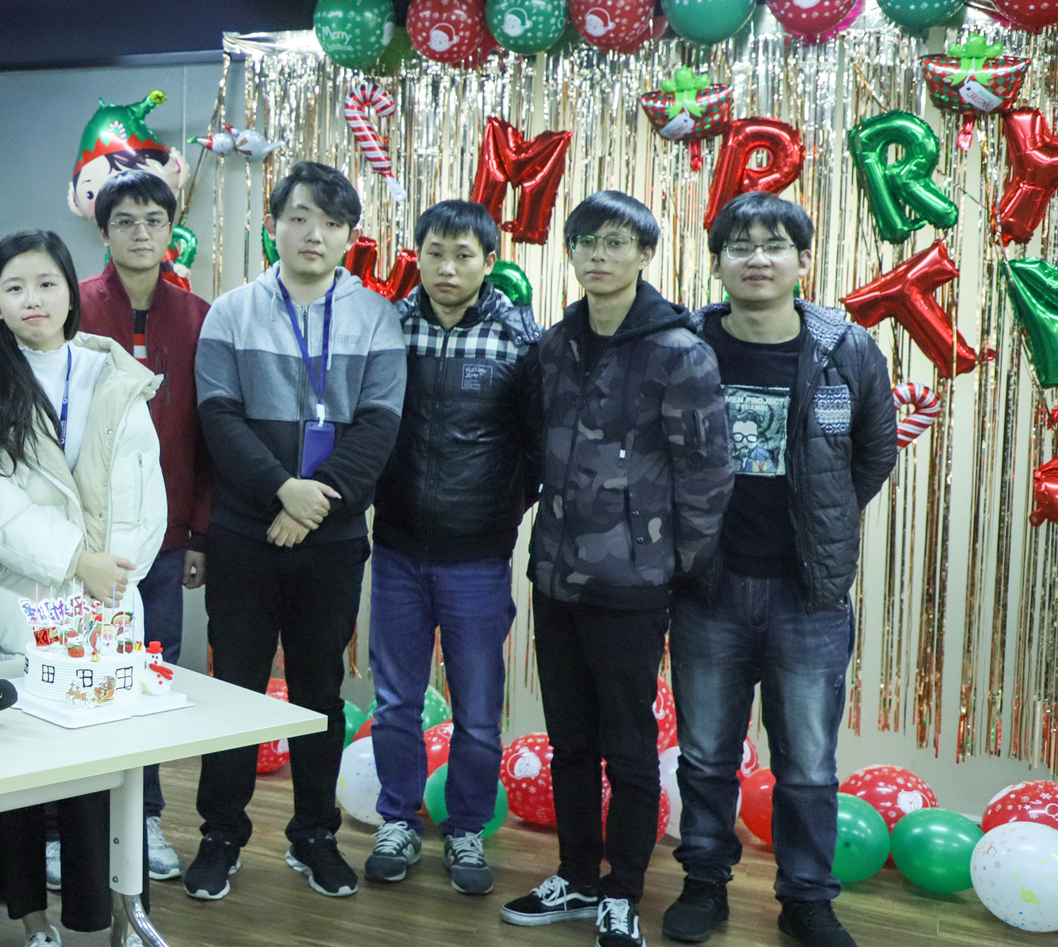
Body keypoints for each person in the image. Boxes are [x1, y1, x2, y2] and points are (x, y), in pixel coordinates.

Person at [663, 193, 896, 947]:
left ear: (803, 260)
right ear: (717, 263)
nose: (756, 258)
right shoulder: (687, 343)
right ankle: (704, 884)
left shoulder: (844, 349)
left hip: (809, 594)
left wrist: (822, 522)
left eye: (773, 245)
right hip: (708, 588)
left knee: (808, 765)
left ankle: (805, 899)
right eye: (739, 245)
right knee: (705, 755)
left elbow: (873, 452)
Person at [500, 191, 732, 947]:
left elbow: (707, 474)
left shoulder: (679, 351)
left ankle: (621, 889)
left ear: (644, 254)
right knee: (569, 742)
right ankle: (574, 875)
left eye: (616, 242)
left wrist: (673, 565)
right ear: (569, 252)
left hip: (633, 585)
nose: (598, 255)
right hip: (555, 576)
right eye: (585, 242)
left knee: (628, 748)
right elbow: (534, 445)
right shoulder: (555, 343)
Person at [186, 161, 406, 902]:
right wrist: (282, 490)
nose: (314, 233)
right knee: (235, 688)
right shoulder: (231, 313)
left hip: (333, 542)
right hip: (243, 536)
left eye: (331, 222)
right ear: (273, 225)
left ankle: (314, 834)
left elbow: (378, 428)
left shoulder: (375, 317)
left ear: (349, 236)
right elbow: (218, 417)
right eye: (300, 217)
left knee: (319, 690)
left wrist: (312, 505)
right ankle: (220, 834)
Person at [0, 230, 166, 947]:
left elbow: (147, 487)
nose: (33, 300)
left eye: (46, 283)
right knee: (24, 772)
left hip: (109, 598)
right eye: (14, 287)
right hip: (23, 596)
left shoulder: (112, 374)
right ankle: (33, 918)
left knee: (110, 773)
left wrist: (116, 570)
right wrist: (79, 559)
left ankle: (114, 915)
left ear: (70, 291)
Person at [367, 199, 540, 895]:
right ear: (419, 256)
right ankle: (397, 819)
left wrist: (499, 514)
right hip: (397, 549)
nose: (446, 268)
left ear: (488, 261)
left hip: (478, 558)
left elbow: (536, 445)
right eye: (434, 252)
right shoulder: (389, 327)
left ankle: (465, 827)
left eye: (462, 255)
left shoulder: (519, 337)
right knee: (394, 701)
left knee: (475, 709)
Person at [76, 168, 211, 881]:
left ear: (170, 230)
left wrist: (197, 532)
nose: (140, 233)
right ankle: (71, 827)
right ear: (103, 231)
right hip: (84, 538)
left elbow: (205, 431)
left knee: (148, 673)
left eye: (153, 220)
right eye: (124, 221)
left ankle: (145, 818)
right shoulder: (72, 307)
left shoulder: (197, 316)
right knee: (80, 673)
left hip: (163, 537)